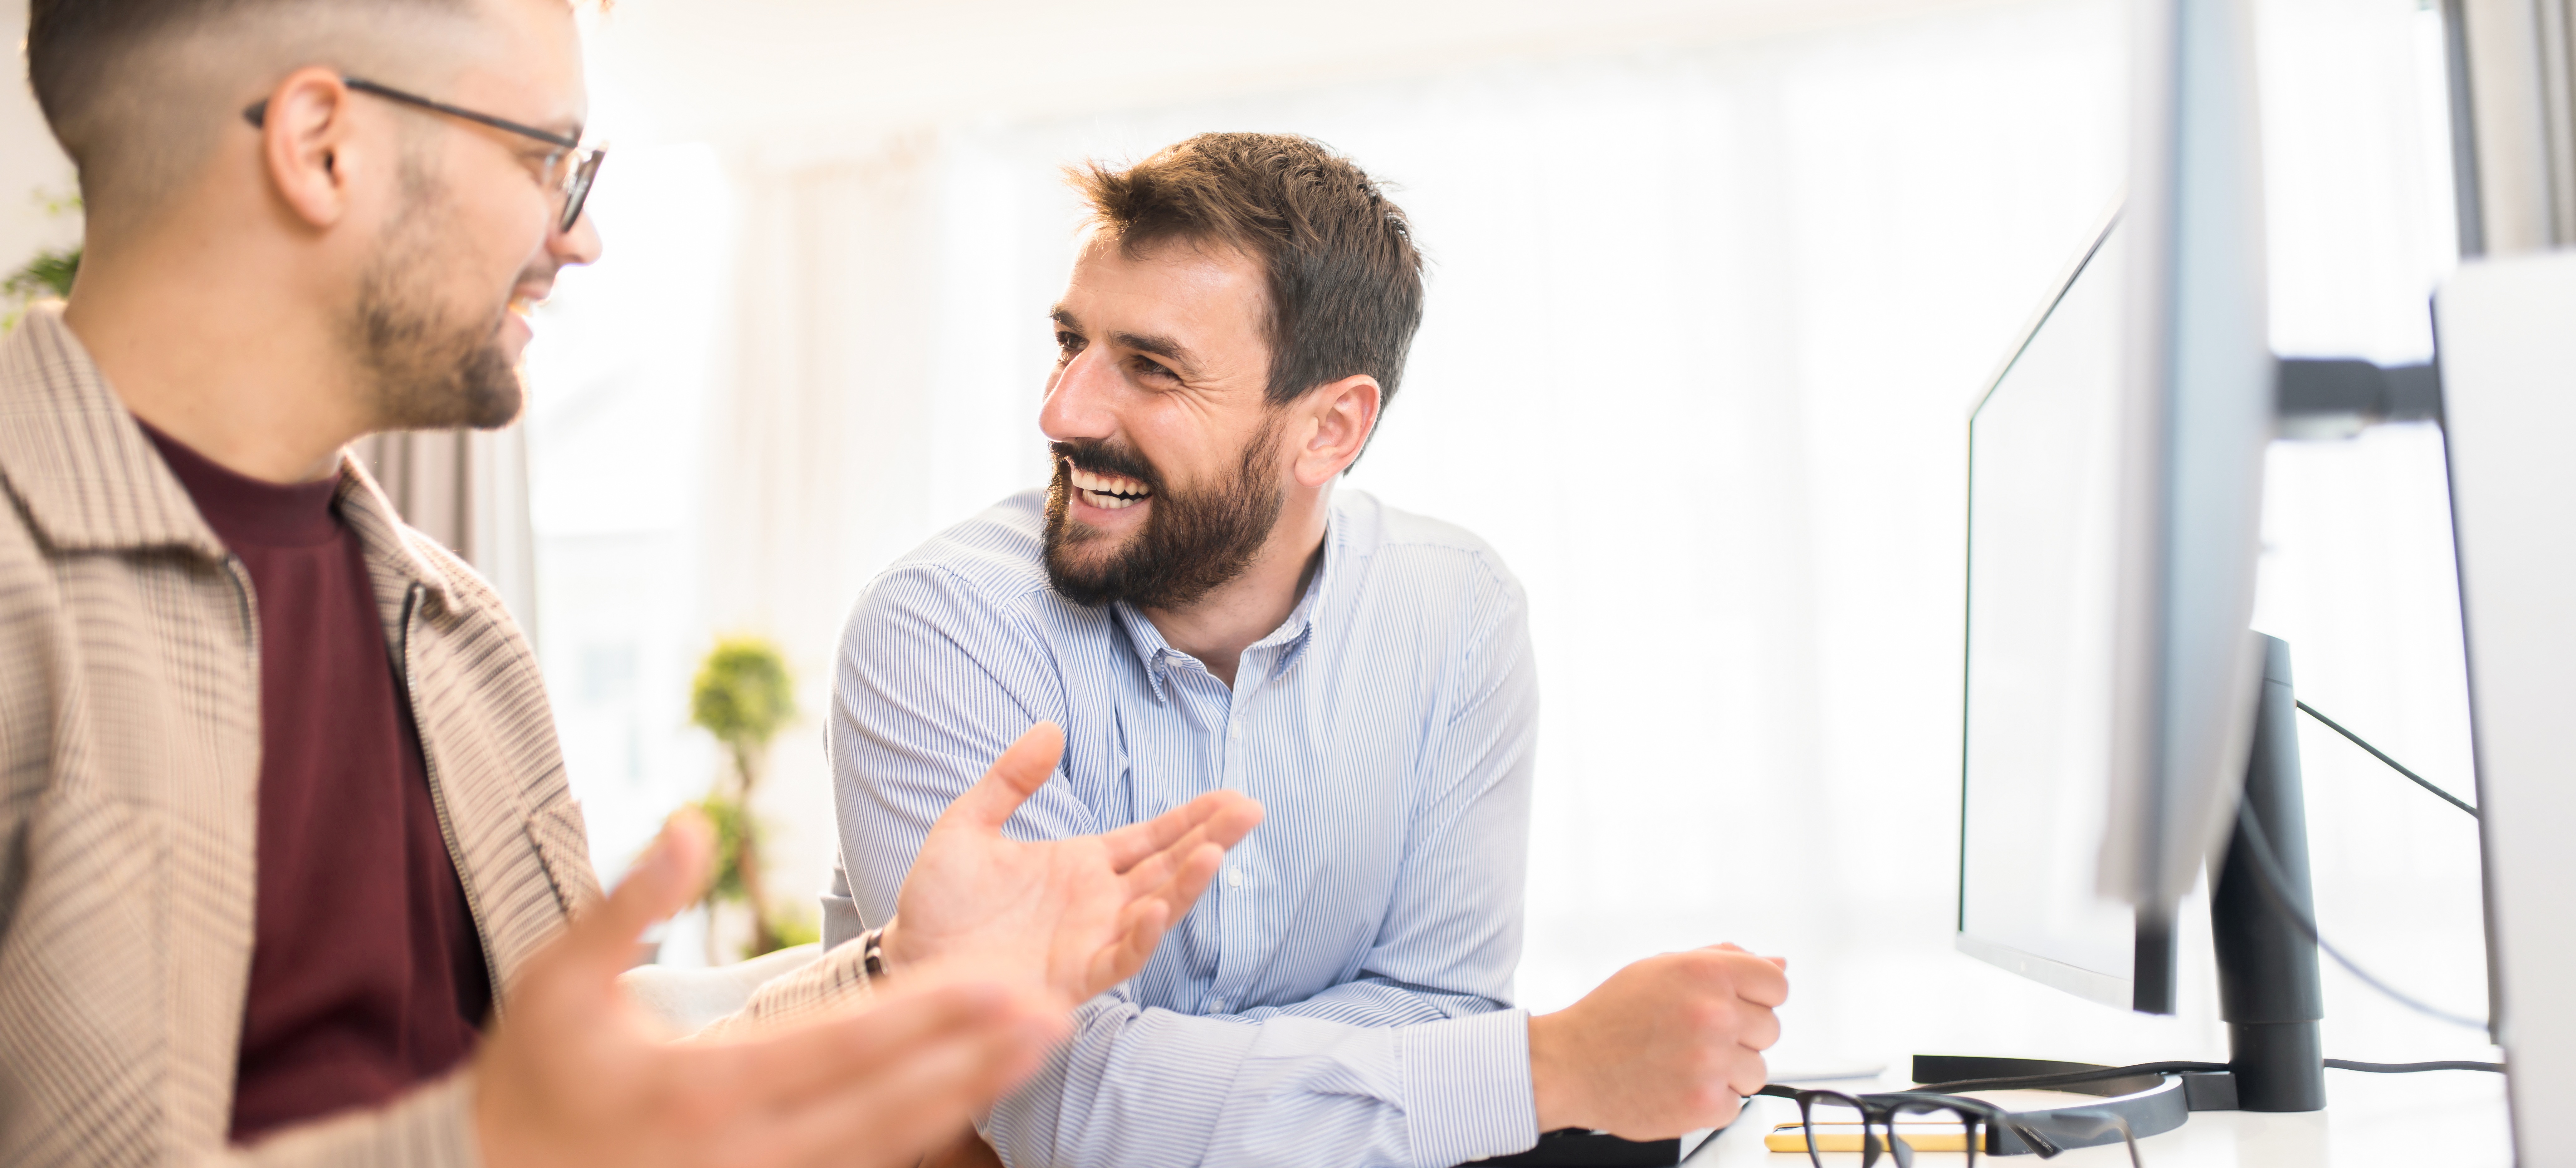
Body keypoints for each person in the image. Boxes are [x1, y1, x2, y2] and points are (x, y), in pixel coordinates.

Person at [0, 2, 1261, 1166]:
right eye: (544, 159)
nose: (579, 235)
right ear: (324, 148)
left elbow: (586, 1111)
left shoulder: (458, 639)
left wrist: (895, 978)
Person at [827, 132, 1789, 1168]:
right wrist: (1543, 1071)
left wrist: (1157, 1084)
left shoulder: (1457, 613)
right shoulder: (941, 630)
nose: (1063, 410)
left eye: (1152, 369)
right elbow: (1049, 1105)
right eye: (1071, 344)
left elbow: (1438, 1005)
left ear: (1330, 429)